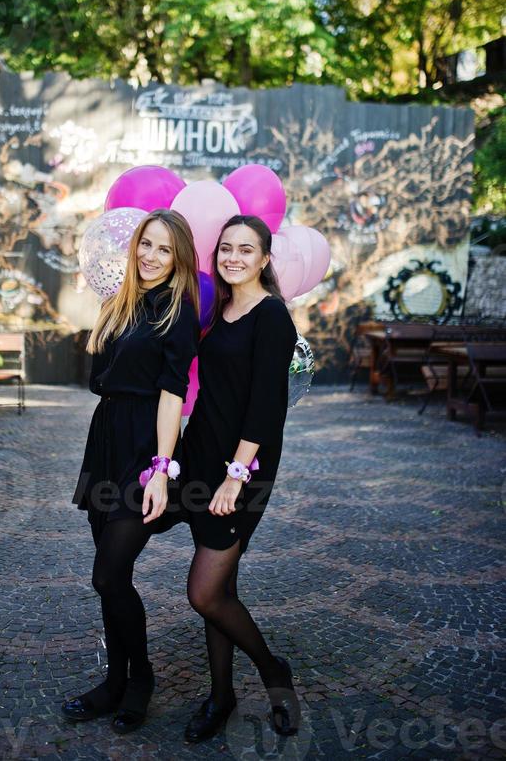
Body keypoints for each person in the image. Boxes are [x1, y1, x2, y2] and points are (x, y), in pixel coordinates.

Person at [64, 209, 200, 734]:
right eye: (147, 244)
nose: (151, 256)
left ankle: (139, 678)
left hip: (146, 444)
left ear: (179, 257)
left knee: (108, 573)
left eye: (165, 249)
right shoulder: (118, 303)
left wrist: (162, 470)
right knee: (111, 578)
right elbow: (102, 378)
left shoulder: (177, 312)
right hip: (106, 438)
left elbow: (173, 395)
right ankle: (114, 683)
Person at [180, 214, 300, 743]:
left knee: (204, 593)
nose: (232, 257)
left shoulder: (272, 317)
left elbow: (267, 407)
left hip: (242, 468)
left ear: (265, 258)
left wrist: (235, 476)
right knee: (222, 587)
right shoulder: (219, 309)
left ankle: (273, 670)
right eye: (225, 248)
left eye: (245, 250)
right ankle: (220, 695)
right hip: (201, 457)